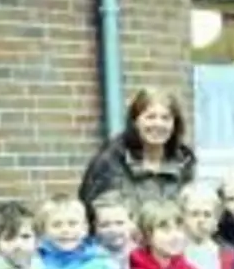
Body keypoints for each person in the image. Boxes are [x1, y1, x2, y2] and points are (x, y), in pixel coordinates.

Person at [78, 88, 197, 229]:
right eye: (150, 117)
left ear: (175, 124)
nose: (158, 124)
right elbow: (98, 216)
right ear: (135, 121)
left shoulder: (184, 163)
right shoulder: (109, 162)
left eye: (165, 118)